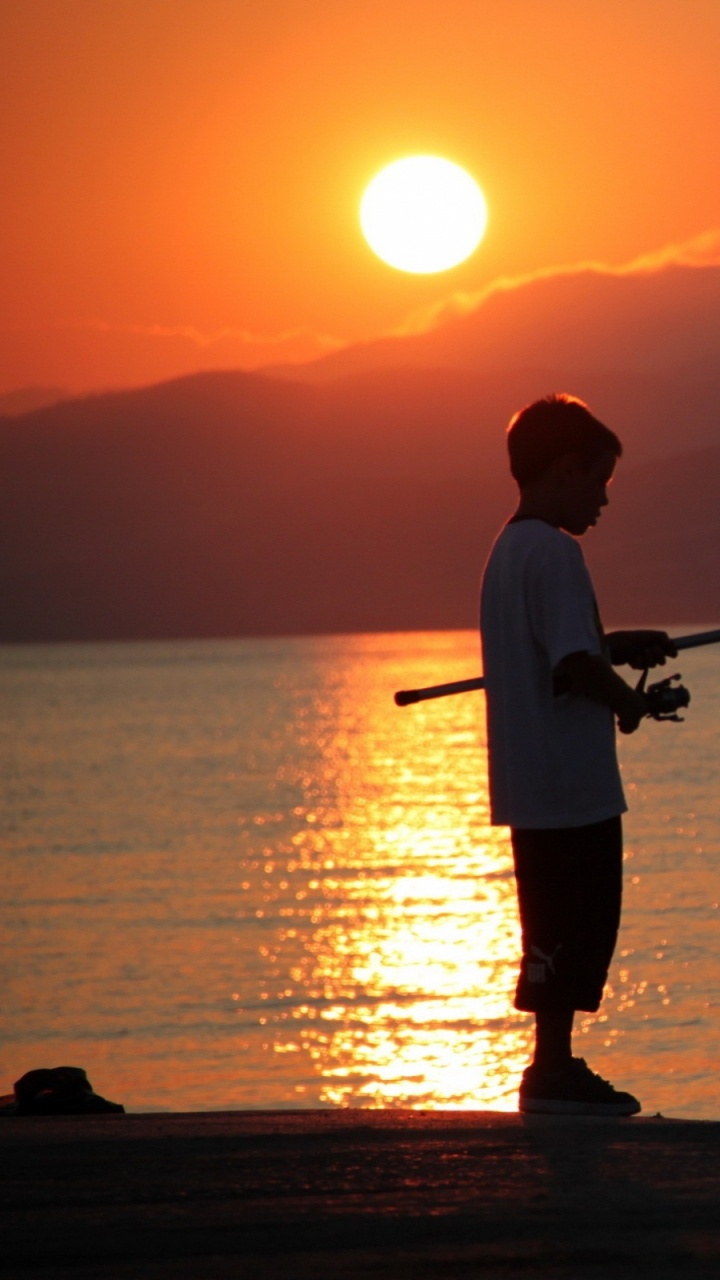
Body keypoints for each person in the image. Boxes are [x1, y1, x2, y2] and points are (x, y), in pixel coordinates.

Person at [480, 393, 676, 1115]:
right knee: (581, 923)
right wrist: (631, 703)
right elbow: (573, 666)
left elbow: (559, 655)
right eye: (599, 480)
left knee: (549, 930)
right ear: (566, 469)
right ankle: (553, 1072)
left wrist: (611, 646)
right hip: (572, 785)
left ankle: (550, 1065)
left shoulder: (508, 551)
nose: (603, 500)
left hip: (529, 782)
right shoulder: (559, 553)